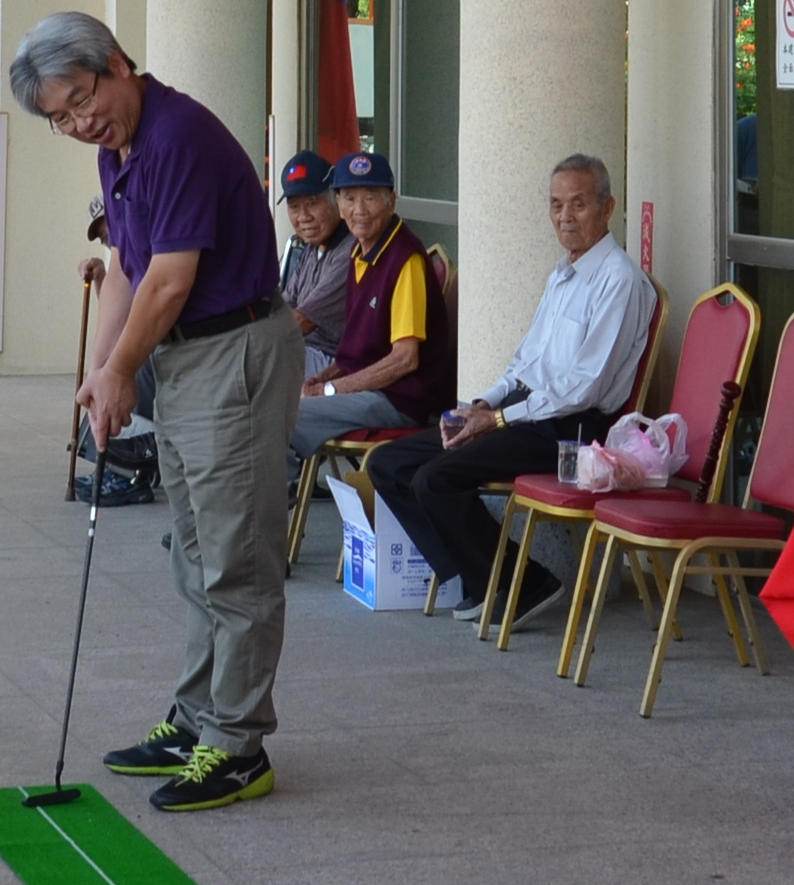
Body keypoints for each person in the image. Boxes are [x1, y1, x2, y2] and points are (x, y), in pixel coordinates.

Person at [12, 12, 294, 813]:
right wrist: (102, 374)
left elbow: (171, 281)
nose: (78, 123)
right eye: (60, 118)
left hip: (229, 350)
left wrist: (124, 370)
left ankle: (237, 746)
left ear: (114, 62)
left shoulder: (175, 138)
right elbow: (128, 272)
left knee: (236, 557)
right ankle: (198, 716)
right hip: (186, 355)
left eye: (79, 100)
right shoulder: (119, 150)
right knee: (196, 545)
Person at [369, 153, 652, 626]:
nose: (565, 217)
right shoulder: (562, 274)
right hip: (528, 412)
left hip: (571, 429)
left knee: (436, 478)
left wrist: (497, 421)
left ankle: (525, 582)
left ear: (607, 208)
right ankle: (473, 576)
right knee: (390, 463)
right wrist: (483, 404)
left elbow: (583, 388)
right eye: (556, 205)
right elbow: (526, 363)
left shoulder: (619, 280)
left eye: (578, 205)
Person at [286, 150, 453, 464]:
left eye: (371, 198)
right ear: (338, 202)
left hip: (399, 400)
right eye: (349, 198)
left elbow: (404, 360)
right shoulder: (359, 254)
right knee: (273, 405)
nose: (358, 210)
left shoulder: (406, 259)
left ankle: (272, 507)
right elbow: (358, 350)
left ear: (392, 200)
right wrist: (321, 380)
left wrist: (333, 389)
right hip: (371, 390)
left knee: (276, 418)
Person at [276, 149, 354, 380]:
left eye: (312, 203)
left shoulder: (351, 250)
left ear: (336, 198)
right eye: (294, 207)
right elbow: (283, 307)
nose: (304, 216)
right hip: (303, 349)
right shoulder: (311, 246)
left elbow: (302, 322)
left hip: (333, 362)